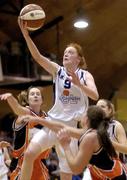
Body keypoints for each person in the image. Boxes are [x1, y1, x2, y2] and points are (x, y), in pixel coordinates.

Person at [18, 17, 99, 180]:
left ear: (79, 59)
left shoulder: (85, 75)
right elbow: (38, 57)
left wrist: (79, 84)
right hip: (52, 122)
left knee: (66, 173)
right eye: (65, 53)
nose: (66, 54)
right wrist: (26, 35)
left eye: (70, 52)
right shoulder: (58, 70)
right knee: (28, 154)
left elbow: (95, 96)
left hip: (70, 128)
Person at [57, 105, 127, 179]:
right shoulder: (93, 133)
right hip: (106, 174)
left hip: (114, 175)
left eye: (102, 106)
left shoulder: (93, 137)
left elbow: (76, 169)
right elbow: (60, 126)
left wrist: (66, 147)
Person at [0, 87, 50, 180]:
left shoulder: (46, 117)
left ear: (42, 100)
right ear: (28, 100)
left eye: (38, 94)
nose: (35, 95)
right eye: (32, 94)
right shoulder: (24, 114)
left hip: (40, 162)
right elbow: (18, 109)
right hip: (21, 163)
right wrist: (11, 99)